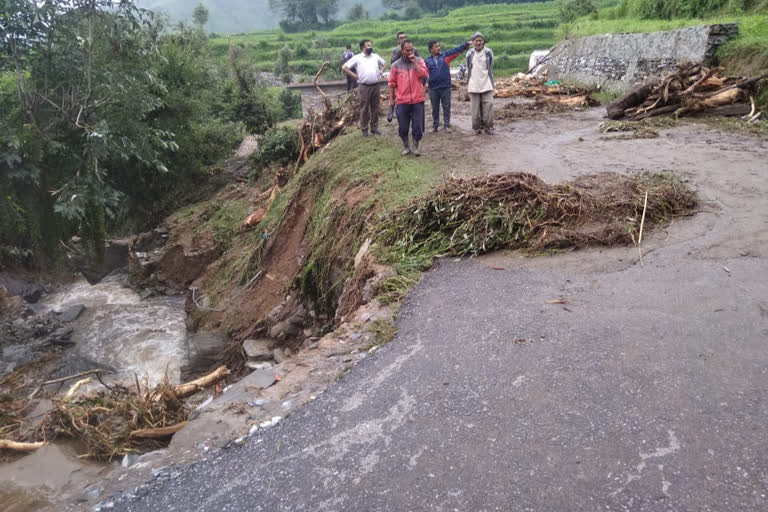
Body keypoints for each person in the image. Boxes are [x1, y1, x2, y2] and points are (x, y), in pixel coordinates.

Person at [388, 39, 429, 156]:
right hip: (402, 101)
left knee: (417, 125)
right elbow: (392, 84)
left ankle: (415, 147)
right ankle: (406, 146)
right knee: (403, 126)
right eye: (407, 50)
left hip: (417, 100)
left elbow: (424, 74)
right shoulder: (395, 65)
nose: (410, 52)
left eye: (411, 50)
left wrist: (415, 62)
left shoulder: (419, 61)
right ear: (401, 50)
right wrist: (391, 99)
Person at [425, 39, 470, 133]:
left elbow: (455, 50)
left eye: (439, 46)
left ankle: (447, 125)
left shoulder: (445, 56)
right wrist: (422, 86)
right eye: (436, 46)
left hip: (445, 87)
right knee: (435, 108)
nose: (439, 48)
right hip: (433, 88)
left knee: (446, 107)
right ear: (431, 49)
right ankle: (435, 126)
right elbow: (423, 75)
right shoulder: (427, 61)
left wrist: (465, 45)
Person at [342, 39, 386, 137]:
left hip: (375, 86)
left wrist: (381, 72)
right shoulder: (357, 58)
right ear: (363, 48)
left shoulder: (375, 56)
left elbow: (384, 63)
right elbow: (344, 67)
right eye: (368, 46)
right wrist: (354, 75)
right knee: (364, 108)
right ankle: (364, 130)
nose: (370, 47)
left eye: (371, 45)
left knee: (375, 108)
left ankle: (374, 128)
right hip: (364, 87)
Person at [466, 31, 495, 135]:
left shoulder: (488, 52)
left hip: (486, 83)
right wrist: (468, 82)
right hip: (474, 83)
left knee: (489, 105)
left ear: (483, 42)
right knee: (475, 109)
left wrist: (492, 82)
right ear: (473, 42)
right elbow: (468, 68)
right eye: (476, 41)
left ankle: (488, 127)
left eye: (480, 40)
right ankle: (476, 128)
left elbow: (490, 67)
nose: (478, 43)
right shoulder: (469, 54)